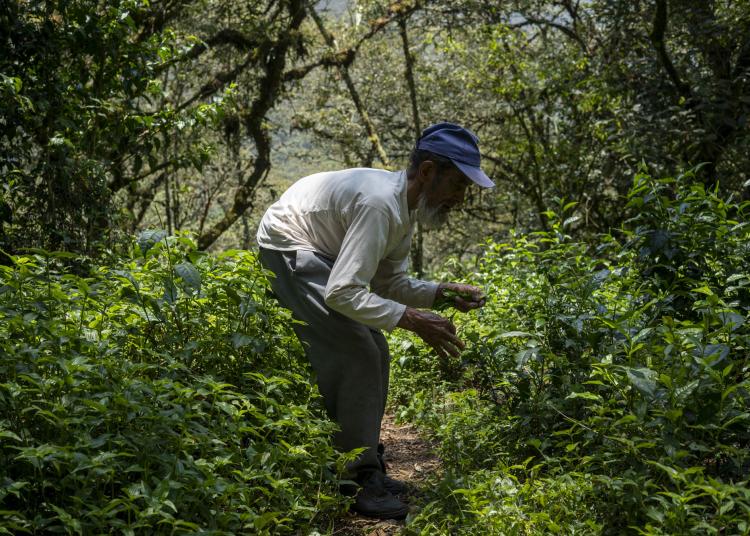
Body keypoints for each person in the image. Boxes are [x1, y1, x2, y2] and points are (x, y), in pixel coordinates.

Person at [255, 122, 494, 519]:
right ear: (429, 172)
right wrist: (412, 319)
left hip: (320, 251)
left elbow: (387, 281)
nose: (461, 198)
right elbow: (342, 292)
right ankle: (354, 480)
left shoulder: (403, 208)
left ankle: (365, 461)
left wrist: (438, 293)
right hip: (287, 246)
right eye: (459, 185)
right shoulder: (381, 205)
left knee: (376, 349)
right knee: (358, 352)